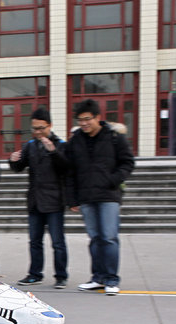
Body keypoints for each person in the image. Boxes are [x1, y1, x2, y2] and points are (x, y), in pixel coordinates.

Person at [65, 99, 135, 296]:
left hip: (108, 195)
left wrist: (113, 180)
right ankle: (98, 278)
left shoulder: (113, 137)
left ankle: (112, 279)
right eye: (80, 120)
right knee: (95, 239)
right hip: (86, 196)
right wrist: (72, 200)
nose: (84, 123)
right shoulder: (76, 140)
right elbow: (70, 171)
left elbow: (127, 163)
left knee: (109, 237)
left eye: (87, 119)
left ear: (98, 117)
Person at [9, 108, 69, 289]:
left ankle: (61, 276)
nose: (37, 132)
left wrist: (53, 152)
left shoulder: (60, 144)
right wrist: (13, 160)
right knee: (34, 241)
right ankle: (35, 274)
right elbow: (19, 167)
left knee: (57, 242)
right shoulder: (30, 145)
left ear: (50, 126)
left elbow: (67, 168)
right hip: (35, 201)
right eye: (34, 129)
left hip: (54, 201)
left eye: (41, 128)